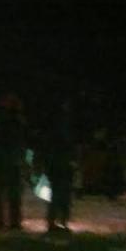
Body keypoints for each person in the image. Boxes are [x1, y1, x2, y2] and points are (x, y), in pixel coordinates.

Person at [0, 94, 27, 230]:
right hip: (10, 159)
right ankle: (12, 221)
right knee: (12, 192)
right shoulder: (17, 121)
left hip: (1, 158)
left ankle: (0, 220)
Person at [41, 100, 77, 233]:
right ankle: (60, 221)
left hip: (57, 163)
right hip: (60, 163)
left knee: (58, 194)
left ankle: (56, 221)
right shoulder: (64, 127)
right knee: (61, 194)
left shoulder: (53, 126)